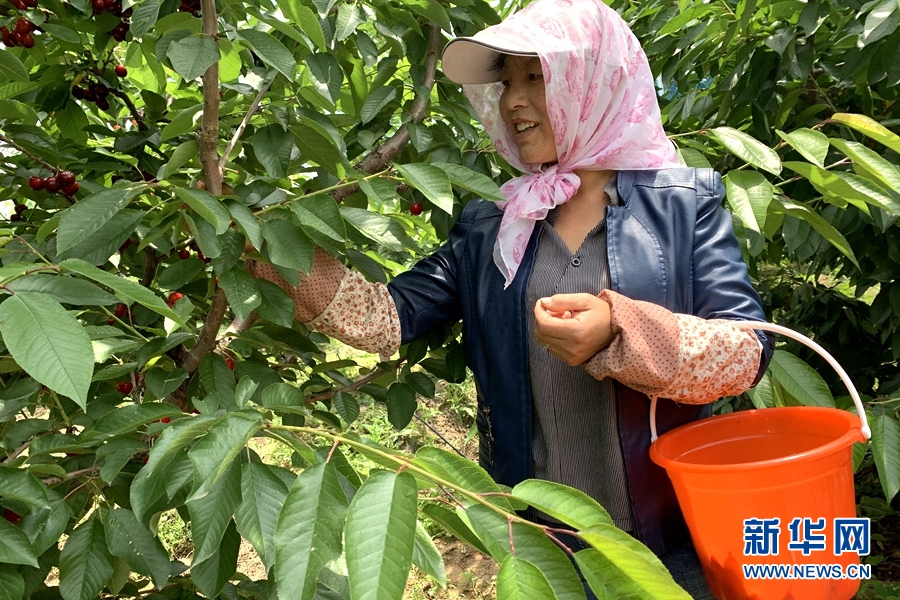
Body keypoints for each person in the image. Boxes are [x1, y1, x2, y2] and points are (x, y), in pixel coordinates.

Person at [252, 0, 774, 596]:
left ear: (595, 81)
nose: (512, 100)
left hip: (668, 537)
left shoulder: (685, 204)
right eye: (507, 81)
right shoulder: (494, 226)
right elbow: (384, 319)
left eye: (536, 77)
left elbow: (747, 352)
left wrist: (620, 330)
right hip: (536, 541)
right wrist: (259, 244)